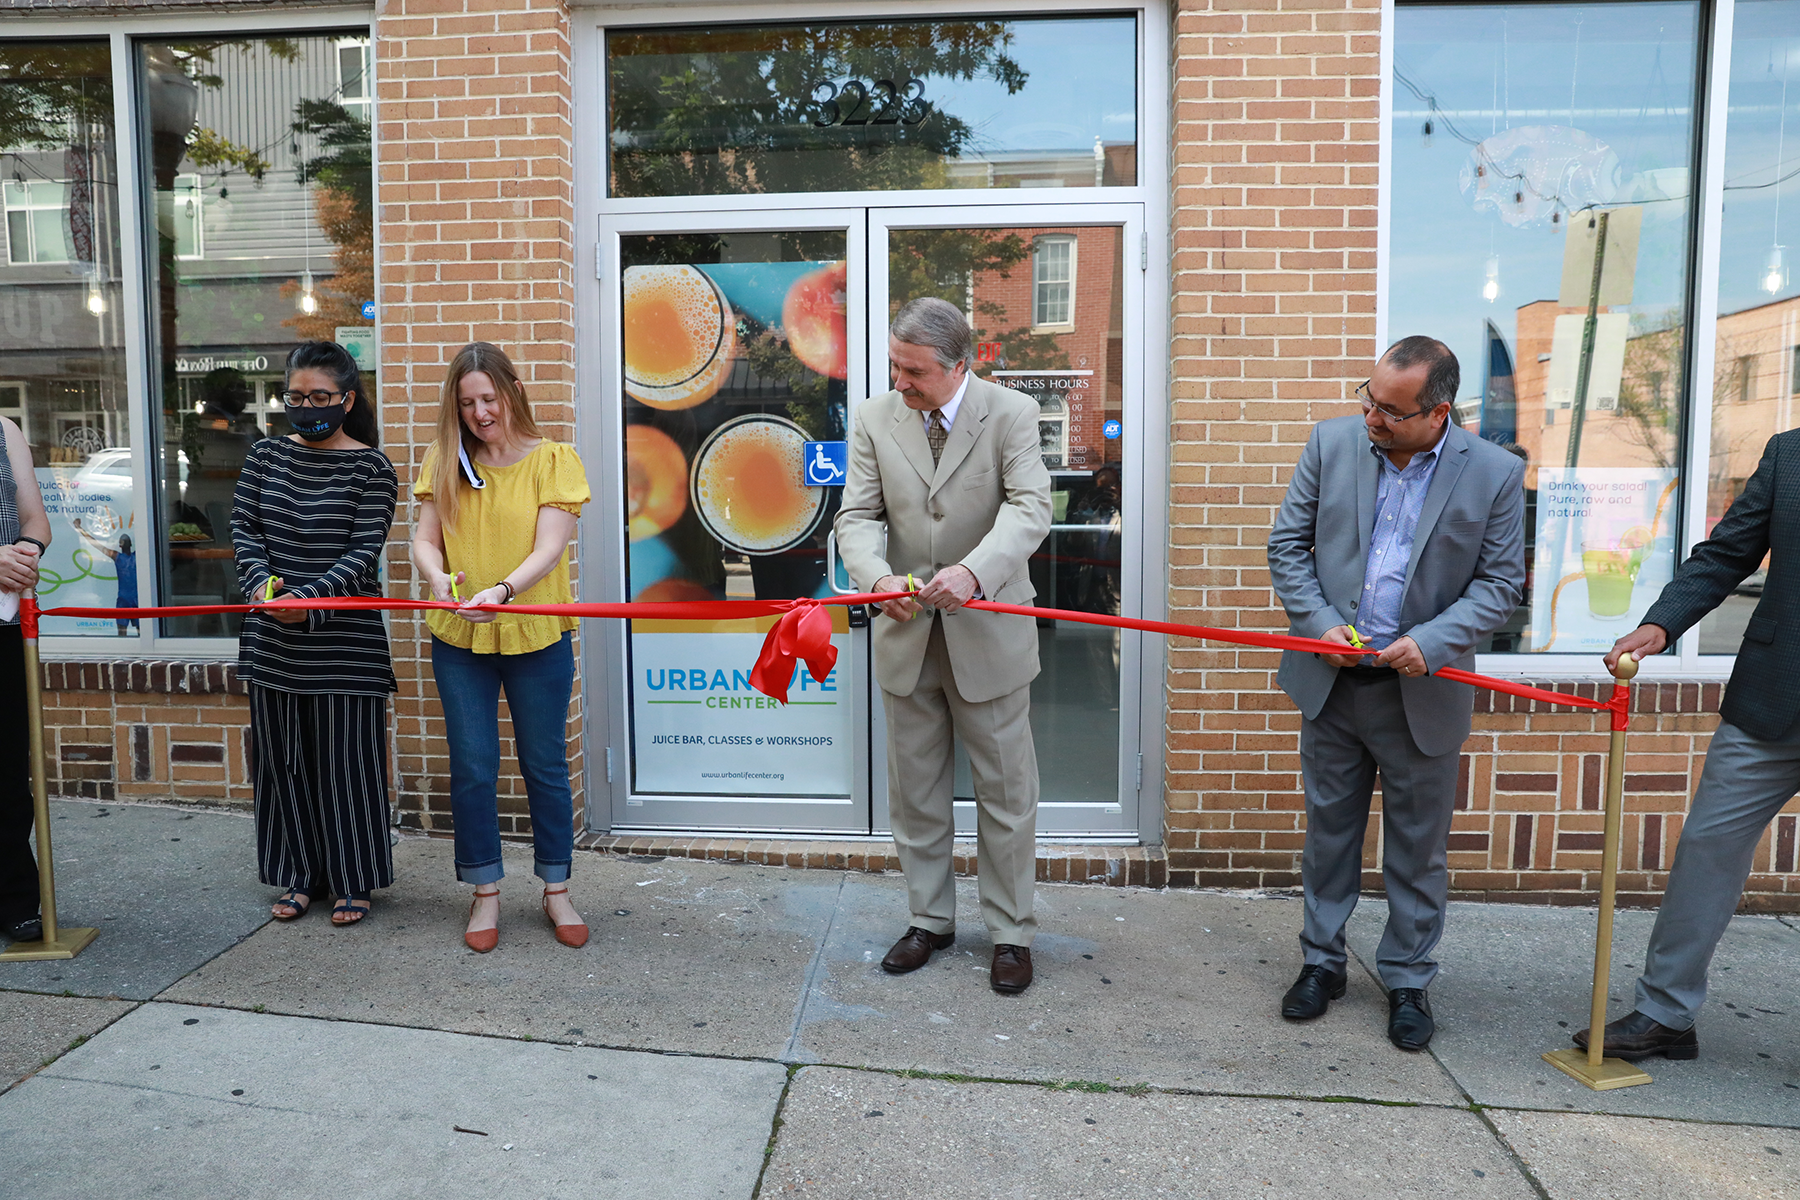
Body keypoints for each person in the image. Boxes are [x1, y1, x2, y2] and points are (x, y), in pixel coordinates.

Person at [1266, 336, 1525, 1050]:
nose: (1371, 418)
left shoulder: (1495, 472)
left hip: (1422, 692)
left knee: (1417, 848)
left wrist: (1434, 641)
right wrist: (1319, 625)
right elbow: (1287, 547)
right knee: (1329, 835)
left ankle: (1409, 979)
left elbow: (1501, 583)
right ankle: (1322, 964)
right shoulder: (1331, 444)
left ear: (1439, 412)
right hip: (1332, 684)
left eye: (1391, 410)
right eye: (1369, 399)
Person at [834, 297, 1053, 995]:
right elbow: (856, 517)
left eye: (916, 372)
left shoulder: (1012, 413)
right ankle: (929, 920)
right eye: (895, 367)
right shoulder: (874, 418)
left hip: (988, 633)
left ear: (961, 365)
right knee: (916, 796)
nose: (900, 382)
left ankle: (1011, 932)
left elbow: (1030, 508)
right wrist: (876, 579)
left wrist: (974, 572)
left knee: (1006, 794)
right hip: (906, 631)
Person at [1570, 428, 1800, 1062]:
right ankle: (1665, 1013)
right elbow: (1727, 552)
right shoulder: (1789, 453)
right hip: (1772, 696)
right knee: (1707, 848)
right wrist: (1660, 623)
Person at [411, 342, 591, 953]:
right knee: (472, 767)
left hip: (536, 634)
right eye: (467, 404)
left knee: (544, 765)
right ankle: (484, 892)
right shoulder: (446, 459)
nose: (480, 413)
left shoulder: (554, 460)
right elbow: (425, 540)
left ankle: (556, 889)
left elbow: (550, 548)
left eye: (489, 398)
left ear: (513, 391)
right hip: (461, 638)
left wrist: (503, 591)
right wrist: (436, 577)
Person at [231, 341, 398, 927]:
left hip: (345, 646)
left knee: (348, 768)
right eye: (295, 397)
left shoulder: (372, 468)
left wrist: (309, 603)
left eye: (319, 396)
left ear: (347, 400)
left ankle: (353, 879)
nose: (306, 407)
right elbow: (244, 530)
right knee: (283, 766)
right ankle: (300, 875)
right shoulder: (264, 457)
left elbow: (363, 552)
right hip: (271, 640)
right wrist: (263, 588)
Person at [0, 415, 49, 944]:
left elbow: (36, 520)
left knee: (10, 773)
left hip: (3, 624)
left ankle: (15, 898)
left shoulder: (4, 430)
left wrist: (23, 555)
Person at [72, 521, 136, 635]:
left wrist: (80, 528)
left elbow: (96, 544)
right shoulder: (132, 557)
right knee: (138, 631)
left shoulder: (118, 556)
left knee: (124, 631)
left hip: (125, 598)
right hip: (132, 598)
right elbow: (96, 544)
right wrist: (80, 528)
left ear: (120, 545)